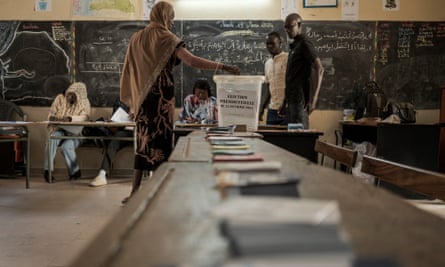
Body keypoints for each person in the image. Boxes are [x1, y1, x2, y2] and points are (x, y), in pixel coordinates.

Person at [119, 1, 240, 204]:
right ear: (165, 16)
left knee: (143, 143)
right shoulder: (167, 38)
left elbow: (129, 70)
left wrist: (133, 101)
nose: (172, 22)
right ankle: (159, 192)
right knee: (162, 142)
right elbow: (191, 61)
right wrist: (223, 66)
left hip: (142, 100)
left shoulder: (136, 38)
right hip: (161, 99)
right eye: (171, 18)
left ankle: (134, 192)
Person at [43, 82, 91, 183]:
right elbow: (51, 112)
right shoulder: (60, 98)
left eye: (73, 96)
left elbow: (84, 117)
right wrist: (52, 117)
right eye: (69, 94)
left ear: (79, 95)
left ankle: (75, 172)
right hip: (60, 130)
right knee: (51, 139)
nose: (70, 97)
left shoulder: (85, 102)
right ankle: (48, 171)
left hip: (76, 133)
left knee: (66, 147)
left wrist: (70, 118)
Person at [283, 13, 324, 129]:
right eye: (285, 27)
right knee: (291, 139)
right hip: (292, 101)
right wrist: (285, 101)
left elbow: (320, 69)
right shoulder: (295, 46)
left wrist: (314, 100)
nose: (287, 30)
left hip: (300, 102)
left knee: (299, 139)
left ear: (299, 25)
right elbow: (292, 76)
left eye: (290, 26)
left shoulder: (305, 43)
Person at [88, 100, 134, 187]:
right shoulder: (122, 102)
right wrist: (113, 121)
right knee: (114, 140)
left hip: (140, 131)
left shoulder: (146, 98)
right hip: (126, 130)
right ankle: (102, 174)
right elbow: (116, 127)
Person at [259, 31, 288, 125]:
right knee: (270, 138)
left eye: (272, 43)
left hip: (287, 110)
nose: (270, 46)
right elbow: (268, 89)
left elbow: (293, 85)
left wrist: (284, 104)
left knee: (289, 139)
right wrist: (262, 108)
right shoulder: (267, 64)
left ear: (280, 43)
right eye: (268, 44)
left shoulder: (288, 59)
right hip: (272, 110)